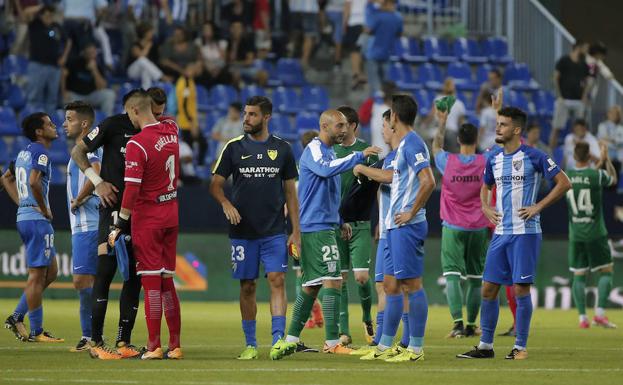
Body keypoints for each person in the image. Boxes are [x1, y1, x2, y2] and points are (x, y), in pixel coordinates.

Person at [457, 106, 571, 360]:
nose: (497, 128)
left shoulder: (535, 156)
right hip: (500, 234)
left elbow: (564, 182)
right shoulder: (494, 158)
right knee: (488, 289)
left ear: (517, 130)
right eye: (497, 123)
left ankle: (520, 346)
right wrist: (486, 207)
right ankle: (485, 346)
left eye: (503, 124)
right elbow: (485, 187)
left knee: (520, 290)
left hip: (525, 233)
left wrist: (538, 206)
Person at [70, 87, 168, 360]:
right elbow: (78, 151)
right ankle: (97, 342)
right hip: (113, 210)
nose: (155, 118)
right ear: (134, 108)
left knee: (135, 277)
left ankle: (123, 341)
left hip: (142, 212)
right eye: (151, 112)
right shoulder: (112, 125)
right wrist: (98, 183)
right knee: (105, 271)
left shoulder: (156, 132)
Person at [210, 96, 301, 360]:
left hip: (274, 230)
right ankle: (250, 344)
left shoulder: (282, 149)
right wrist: (226, 203)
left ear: (266, 117)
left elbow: (290, 194)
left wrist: (295, 230)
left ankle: (277, 341)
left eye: (251, 115)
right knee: (247, 286)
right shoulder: (233, 147)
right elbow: (215, 184)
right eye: (245, 114)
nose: (246, 119)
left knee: (278, 279)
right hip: (242, 232)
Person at [284, 109, 380, 355]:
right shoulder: (316, 149)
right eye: (339, 126)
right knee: (334, 280)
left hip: (324, 224)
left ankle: (291, 339)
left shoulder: (328, 152)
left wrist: (339, 220)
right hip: (316, 227)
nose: (345, 130)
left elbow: (329, 193)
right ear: (324, 126)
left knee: (311, 286)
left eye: (346, 126)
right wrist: (358, 156)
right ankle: (331, 342)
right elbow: (326, 170)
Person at [353, 94, 435, 362]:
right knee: (390, 285)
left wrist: (411, 211)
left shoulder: (413, 144)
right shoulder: (401, 149)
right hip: (393, 226)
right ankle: (385, 345)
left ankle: (416, 349)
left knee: (412, 284)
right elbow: (394, 179)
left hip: (407, 226)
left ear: (395, 118)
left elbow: (429, 181)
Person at [108, 90, 182, 360]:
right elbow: (167, 119)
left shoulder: (137, 144)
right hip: (171, 216)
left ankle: (154, 346)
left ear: (135, 110)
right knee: (167, 282)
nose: (130, 119)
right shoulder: (172, 130)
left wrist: (120, 222)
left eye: (130, 113)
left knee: (151, 283)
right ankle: (175, 346)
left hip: (148, 220)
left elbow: (131, 189)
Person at [349, 109, 410, 356]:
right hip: (386, 227)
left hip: (401, 228)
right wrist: (379, 221)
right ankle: (382, 339)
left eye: (384, 126)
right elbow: (381, 188)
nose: (382, 130)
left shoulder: (401, 155)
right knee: (382, 284)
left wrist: (362, 169)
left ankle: (406, 340)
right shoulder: (389, 157)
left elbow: (389, 178)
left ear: (393, 127)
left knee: (403, 285)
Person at [1, 112, 63, 343]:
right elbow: (34, 181)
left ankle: (17, 315)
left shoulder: (23, 152)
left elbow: (6, 178)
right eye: (49, 124)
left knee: (52, 271)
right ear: (39, 131)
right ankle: (37, 332)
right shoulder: (40, 152)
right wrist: (42, 208)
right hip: (37, 221)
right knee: (37, 276)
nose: (54, 126)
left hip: (25, 218)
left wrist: (23, 203)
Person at [432, 108, 489, 339]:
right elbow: (500, 147)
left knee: (453, 276)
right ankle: (471, 325)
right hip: (478, 227)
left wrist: (442, 122)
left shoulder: (448, 161)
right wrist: (495, 112)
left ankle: (457, 325)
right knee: (476, 279)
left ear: (458, 140)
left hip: (453, 227)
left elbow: (435, 147)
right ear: (476, 140)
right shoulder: (486, 161)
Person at [332, 105, 378, 345]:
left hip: (360, 224)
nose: (338, 129)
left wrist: (381, 219)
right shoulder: (330, 151)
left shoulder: (367, 152)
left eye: (342, 124)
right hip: (335, 226)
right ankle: (344, 331)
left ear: (353, 126)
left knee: (361, 277)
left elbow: (379, 187)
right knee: (338, 280)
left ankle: (367, 318)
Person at [63, 101, 102, 352]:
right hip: (83, 225)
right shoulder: (81, 148)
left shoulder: (87, 149)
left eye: (70, 119)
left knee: (81, 281)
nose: (65, 124)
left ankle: (91, 336)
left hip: (89, 224)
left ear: (84, 124)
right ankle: (90, 336)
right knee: (87, 282)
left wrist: (80, 197)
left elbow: (96, 170)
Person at [566, 141, 617, 329]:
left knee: (578, 276)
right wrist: (606, 160)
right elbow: (612, 179)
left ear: (573, 156)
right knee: (606, 272)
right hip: (596, 234)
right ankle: (600, 315)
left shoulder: (566, 176)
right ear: (589, 156)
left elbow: (582, 179)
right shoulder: (596, 175)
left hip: (575, 235)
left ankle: (582, 319)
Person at [293, 130, 324, 333]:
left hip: (299, 229)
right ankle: (316, 315)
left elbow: (290, 202)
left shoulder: (299, 169)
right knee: (309, 275)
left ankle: (313, 315)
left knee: (301, 275)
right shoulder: (315, 165)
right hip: (314, 224)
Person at [24, 4, 71, 114]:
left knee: (52, 99)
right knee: (33, 97)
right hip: (37, 65)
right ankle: (32, 123)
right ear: (41, 15)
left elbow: (68, 41)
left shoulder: (57, 26)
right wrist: (42, 6)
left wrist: (64, 57)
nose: (48, 17)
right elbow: (26, 13)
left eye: (50, 14)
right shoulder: (35, 24)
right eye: (46, 14)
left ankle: (49, 125)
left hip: (54, 67)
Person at [550, 43, 590, 148]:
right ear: (578, 48)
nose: (586, 51)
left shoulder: (584, 64)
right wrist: (559, 95)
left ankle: (579, 154)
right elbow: (555, 77)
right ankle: (548, 156)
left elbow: (587, 81)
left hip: (578, 100)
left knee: (581, 129)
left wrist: (584, 96)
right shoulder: (564, 60)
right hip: (564, 99)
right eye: (584, 48)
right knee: (556, 127)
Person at [64, 42, 116, 116]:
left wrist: (94, 70)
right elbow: (63, 75)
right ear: (84, 52)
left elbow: (102, 86)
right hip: (76, 96)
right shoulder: (75, 62)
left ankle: (107, 123)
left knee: (109, 94)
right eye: (89, 52)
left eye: (93, 52)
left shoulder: (98, 66)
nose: (91, 54)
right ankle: (71, 126)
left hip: (91, 95)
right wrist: (64, 91)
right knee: (67, 100)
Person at [364, 0, 402, 95]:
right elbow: (399, 33)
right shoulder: (397, 17)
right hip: (388, 53)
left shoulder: (378, 16)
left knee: (375, 85)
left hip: (373, 53)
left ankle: (377, 106)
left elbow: (368, 30)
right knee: (386, 85)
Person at [127, 22, 165, 89]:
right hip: (133, 71)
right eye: (150, 32)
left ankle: (146, 90)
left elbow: (157, 59)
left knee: (146, 70)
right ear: (144, 33)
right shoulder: (135, 45)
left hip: (145, 70)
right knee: (142, 60)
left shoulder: (154, 44)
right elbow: (141, 56)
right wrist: (148, 46)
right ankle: (161, 77)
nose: (152, 34)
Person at [597, 106, 623, 171]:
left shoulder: (621, 128)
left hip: (618, 159)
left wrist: (610, 140)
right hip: (605, 158)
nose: (614, 115)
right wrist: (615, 142)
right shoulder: (602, 126)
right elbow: (602, 140)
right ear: (608, 114)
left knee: (616, 179)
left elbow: (621, 141)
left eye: (616, 114)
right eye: (612, 113)